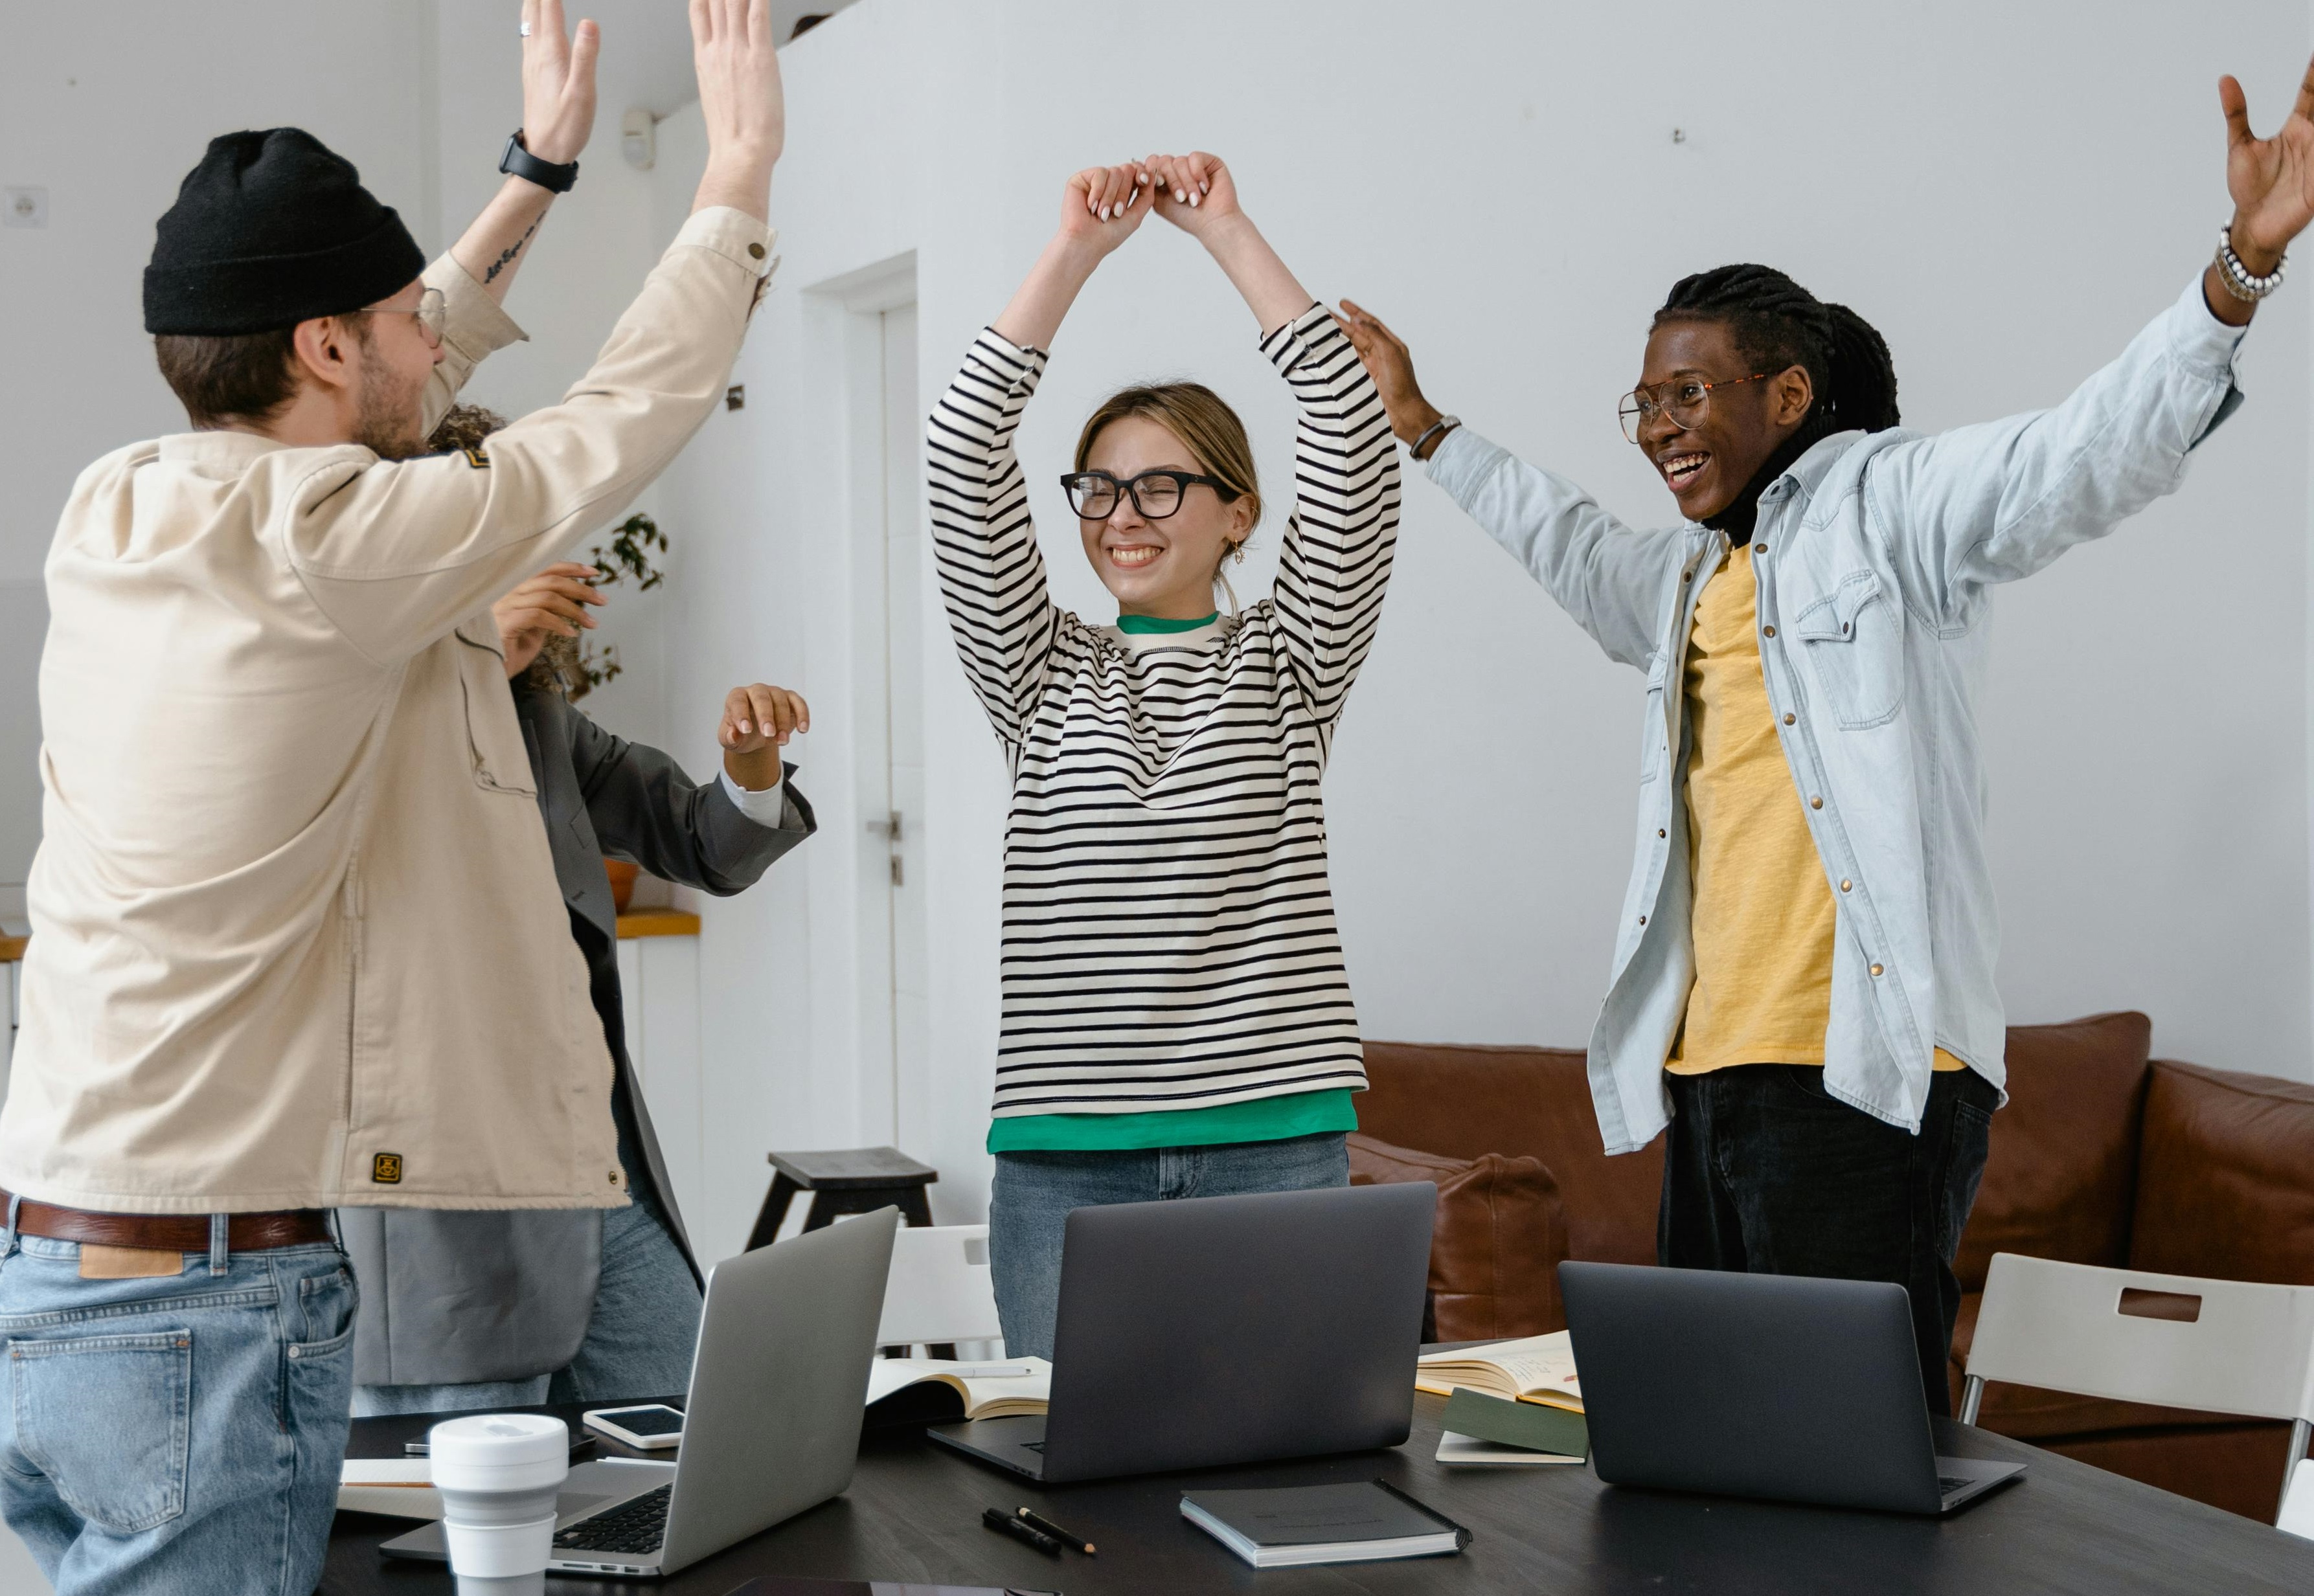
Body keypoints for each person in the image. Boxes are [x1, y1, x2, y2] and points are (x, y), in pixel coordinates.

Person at [1338, 57, 2314, 1412]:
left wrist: (2238, 269)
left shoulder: (1890, 509)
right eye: (1644, 403)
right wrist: (1426, 430)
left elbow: (2083, 452)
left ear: (1787, 397)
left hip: (1861, 1075)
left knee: (1844, 1448)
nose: (1657, 428)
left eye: (1687, 394)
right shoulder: (1686, 578)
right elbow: (1568, 544)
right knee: (1706, 1441)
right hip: (1709, 1075)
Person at [0, 3, 788, 1589]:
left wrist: (536, 173)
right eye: (397, 319)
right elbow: (622, 416)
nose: (439, 338)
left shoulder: (118, 507)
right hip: (210, 1306)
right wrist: (739, 175)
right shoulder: (331, 544)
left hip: (58, 1272)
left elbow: (399, 364)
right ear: (320, 347)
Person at [927, 152, 1401, 1358]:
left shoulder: (1289, 659)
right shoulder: (1037, 669)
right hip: (1064, 1160)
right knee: (1070, 1465)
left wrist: (1226, 232)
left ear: (1239, 512)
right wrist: (1073, 254)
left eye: (1159, 487)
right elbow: (960, 451)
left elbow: (1354, 436)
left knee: (1287, 1446)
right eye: (1097, 490)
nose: (1120, 517)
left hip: (1272, 1148)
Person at [343, 407, 817, 1417]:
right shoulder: (344, 708)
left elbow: (699, 839)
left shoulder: (544, 722)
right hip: (448, 1202)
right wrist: (471, 657)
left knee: (696, 1430)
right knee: (471, 1495)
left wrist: (749, 765)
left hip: (594, 1170)